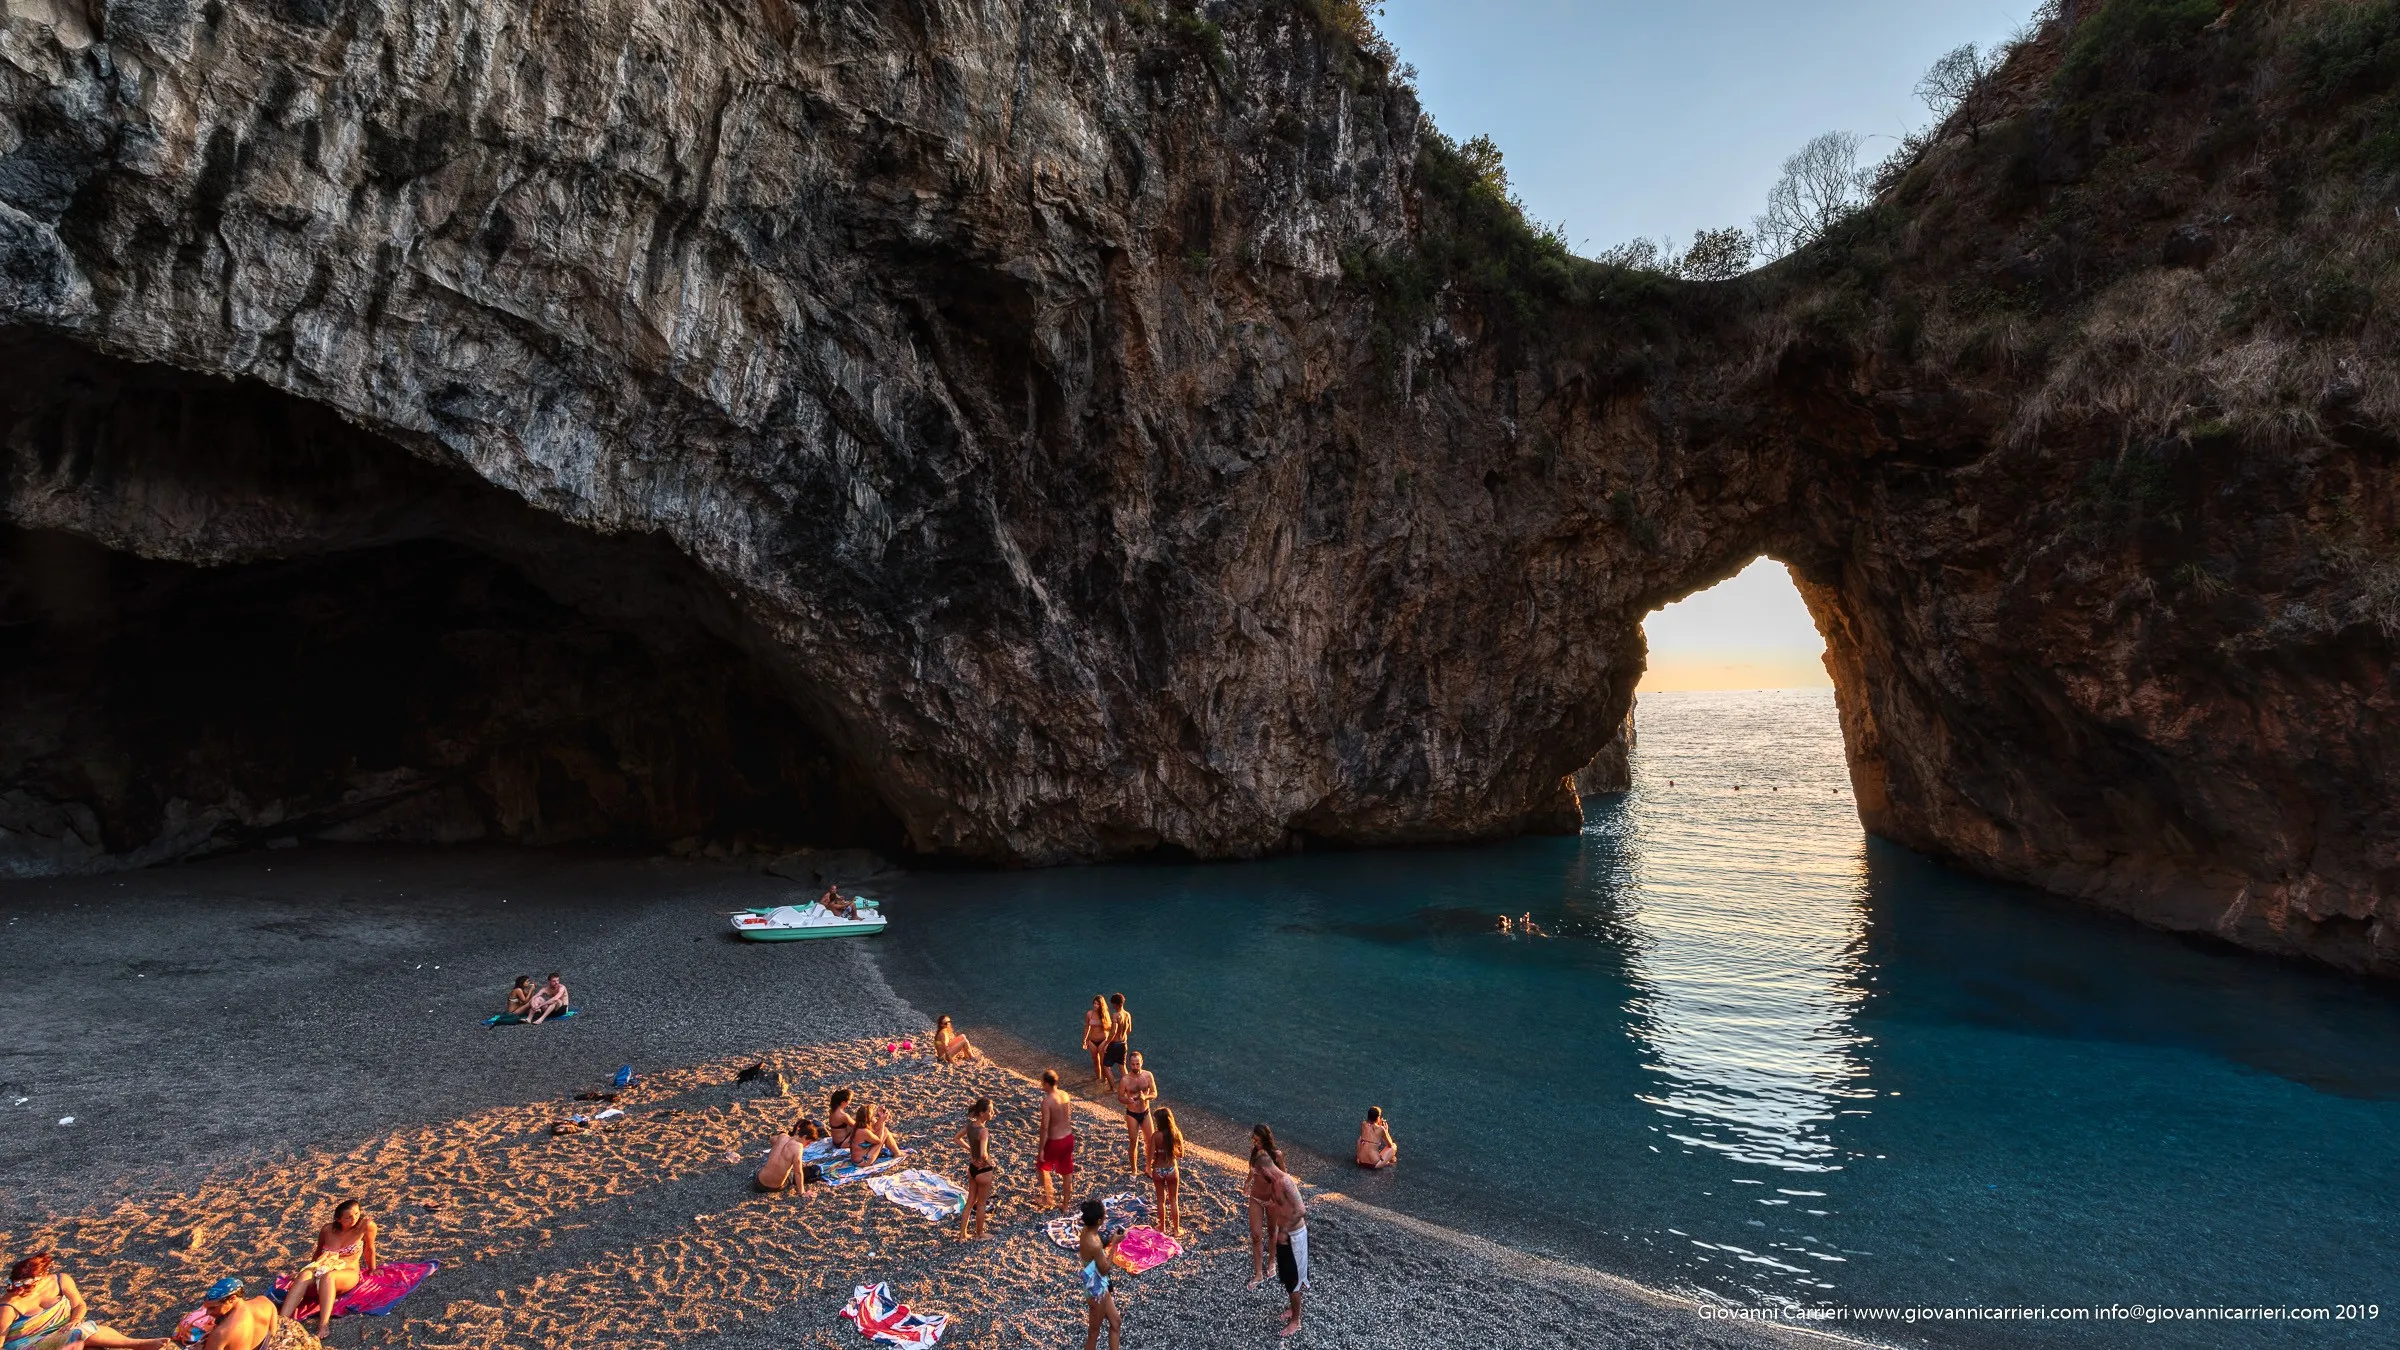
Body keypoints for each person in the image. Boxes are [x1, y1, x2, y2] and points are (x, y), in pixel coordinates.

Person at [2, 1254, 169, 1350]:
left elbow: (79, 1305)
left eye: (28, 1285)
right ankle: (138, 1344)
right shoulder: (9, 1306)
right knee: (80, 1332)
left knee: (90, 1341)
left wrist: (75, 1319)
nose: (21, 1290)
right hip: (29, 1346)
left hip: (60, 1335)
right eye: (17, 1285)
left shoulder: (61, 1280)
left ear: (44, 1275)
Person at [278, 1200, 376, 1337]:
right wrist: (308, 1268)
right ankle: (281, 1321)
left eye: (356, 1213)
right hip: (323, 1267)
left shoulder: (365, 1227)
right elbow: (318, 1253)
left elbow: (369, 1249)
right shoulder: (327, 1230)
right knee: (304, 1275)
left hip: (347, 1272)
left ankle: (323, 1324)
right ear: (338, 1219)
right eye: (348, 1217)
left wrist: (372, 1268)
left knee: (329, 1277)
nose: (354, 1218)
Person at [1257, 1148, 1310, 1338]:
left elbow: (1301, 1210)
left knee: (1294, 1280)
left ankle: (1296, 1320)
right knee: (1288, 1278)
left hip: (1294, 1236)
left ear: (1264, 1170)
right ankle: (1292, 1309)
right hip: (1285, 1236)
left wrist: (1285, 1231)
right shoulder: (1277, 1181)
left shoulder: (1286, 1182)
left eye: (1258, 1172)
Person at [193, 1277, 317, 1350]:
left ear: (232, 1299)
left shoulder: (221, 1333)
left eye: (213, 1308)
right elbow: (273, 1331)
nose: (208, 1313)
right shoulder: (264, 1302)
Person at [1075, 1199, 1124, 1350]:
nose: (1106, 1217)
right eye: (1104, 1216)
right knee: (1093, 1333)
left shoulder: (1086, 1231)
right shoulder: (1094, 1244)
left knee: (1116, 1322)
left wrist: (1108, 1241)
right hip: (1096, 1290)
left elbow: (1096, 1251)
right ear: (1098, 1220)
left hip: (1099, 1285)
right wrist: (1115, 1244)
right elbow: (1104, 1269)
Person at [1244, 1125, 1283, 1289]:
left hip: (1272, 1200)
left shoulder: (1275, 1155)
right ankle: (1258, 1273)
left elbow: (1283, 1177)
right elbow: (1252, 1171)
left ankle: (1271, 1261)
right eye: (1253, 1140)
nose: (1255, 1143)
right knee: (1256, 1235)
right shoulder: (1254, 1153)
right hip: (1256, 1198)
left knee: (1272, 1231)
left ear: (1265, 1139)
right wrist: (1247, 1183)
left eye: (1257, 1140)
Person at [1034, 1069, 1077, 1209]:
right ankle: (1065, 1205)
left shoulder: (1047, 1102)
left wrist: (1041, 1149)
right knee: (1067, 1171)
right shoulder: (1065, 1095)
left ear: (1046, 1083)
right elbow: (1068, 1115)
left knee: (1042, 1167)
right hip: (1068, 1137)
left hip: (1055, 1140)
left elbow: (1044, 1127)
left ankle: (1048, 1198)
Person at [956, 1097, 997, 1240]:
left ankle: (962, 1234)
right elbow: (984, 1153)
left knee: (970, 1202)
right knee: (981, 1204)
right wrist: (990, 1162)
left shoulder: (970, 1126)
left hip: (972, 1169)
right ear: (981, 1113)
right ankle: (979, 1234)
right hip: (983, 1171)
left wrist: (969, 1149)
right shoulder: (983, 1131)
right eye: (990, 1111)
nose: (992, 1113)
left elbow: (956, 1138)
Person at [1114, 1051, 1157, 1174]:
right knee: (1133, 1141)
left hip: (1145, 1112)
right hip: (1132, 1114)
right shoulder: (1125, 1080)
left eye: (1137, 1064)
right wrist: (1127, 1100)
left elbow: (1154, 1093)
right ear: (1129, 1064)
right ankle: (1134, 1170)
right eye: (1133, 1064)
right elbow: (1120, 1097)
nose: (1135, 1067)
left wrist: (1146, 1098)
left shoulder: (1148, 1075)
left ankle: (1148, 1167)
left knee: (1150, 1141)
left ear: (1142, 1063)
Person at [1146, 1107, 1185, 1239]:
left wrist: (1149, 1165)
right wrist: (1170, 1151)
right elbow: (1181, 1154)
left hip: (1158, 1169)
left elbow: (1151, 1155)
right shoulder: (1176, 1134)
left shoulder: (1156, 1136)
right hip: (1171, 1169)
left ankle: (1161, 1227)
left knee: (1160, 1201)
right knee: (1174, 1200)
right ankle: (1176, 1230)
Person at [757, 1117, 825, 1194]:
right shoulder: (798, 1147)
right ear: (804, 1137)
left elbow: (772, 1140)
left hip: (759, 1182)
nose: (807, 1146)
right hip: (774, 1187)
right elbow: (798, 1172)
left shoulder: (783, 1136)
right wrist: (802, 1192)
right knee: (798, 1173)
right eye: (808, 1143)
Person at [1101, 994, 1131, 1087]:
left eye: (1113, 1004)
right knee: (1122, 1066)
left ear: (1115, 1004)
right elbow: (1129, 1030)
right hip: (1124, 1043)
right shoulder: (1127, 1014)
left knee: (1106, 1066)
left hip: (1115, 1044)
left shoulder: (1115, 1015)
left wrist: (1106, 1043)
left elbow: (1113, 1031)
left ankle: (1112, 1088)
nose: (1112, 1006)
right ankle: (1128, 1088)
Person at [1081, 996, 1110, 1085]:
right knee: (1095, 1061)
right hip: (1092, 1040)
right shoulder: (1089, 1014)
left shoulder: (1105, 1015)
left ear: (1101, 1005)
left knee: (1102, 1062)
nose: (1095, 1005)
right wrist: (1084, 1040)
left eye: (1098, 1004)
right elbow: (1087, 1027)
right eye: (1094, 1003)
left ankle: (1104, 1079)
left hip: (1102, 1040)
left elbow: (1109, 1028)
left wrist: (1109, 1041)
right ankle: (1098, 1077)